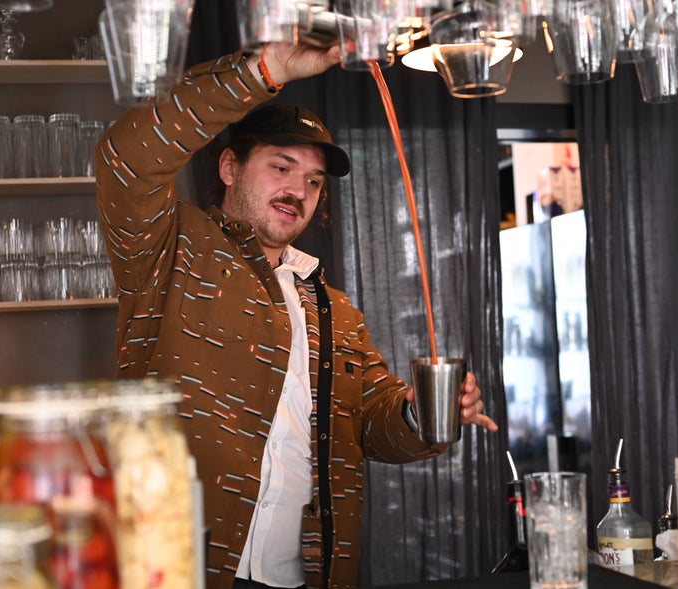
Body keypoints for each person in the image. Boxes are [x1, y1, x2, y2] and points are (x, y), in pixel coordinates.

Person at [96, 41, 498, 589]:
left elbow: (372, 427)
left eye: (313, 181)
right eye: (281, 167)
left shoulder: (333, 308)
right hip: (178, 567)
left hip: (303, 575)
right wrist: (265, 70)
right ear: (230, 166)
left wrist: (419, 412)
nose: (298, 191)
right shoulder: (171, 249)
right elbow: (127, 159)